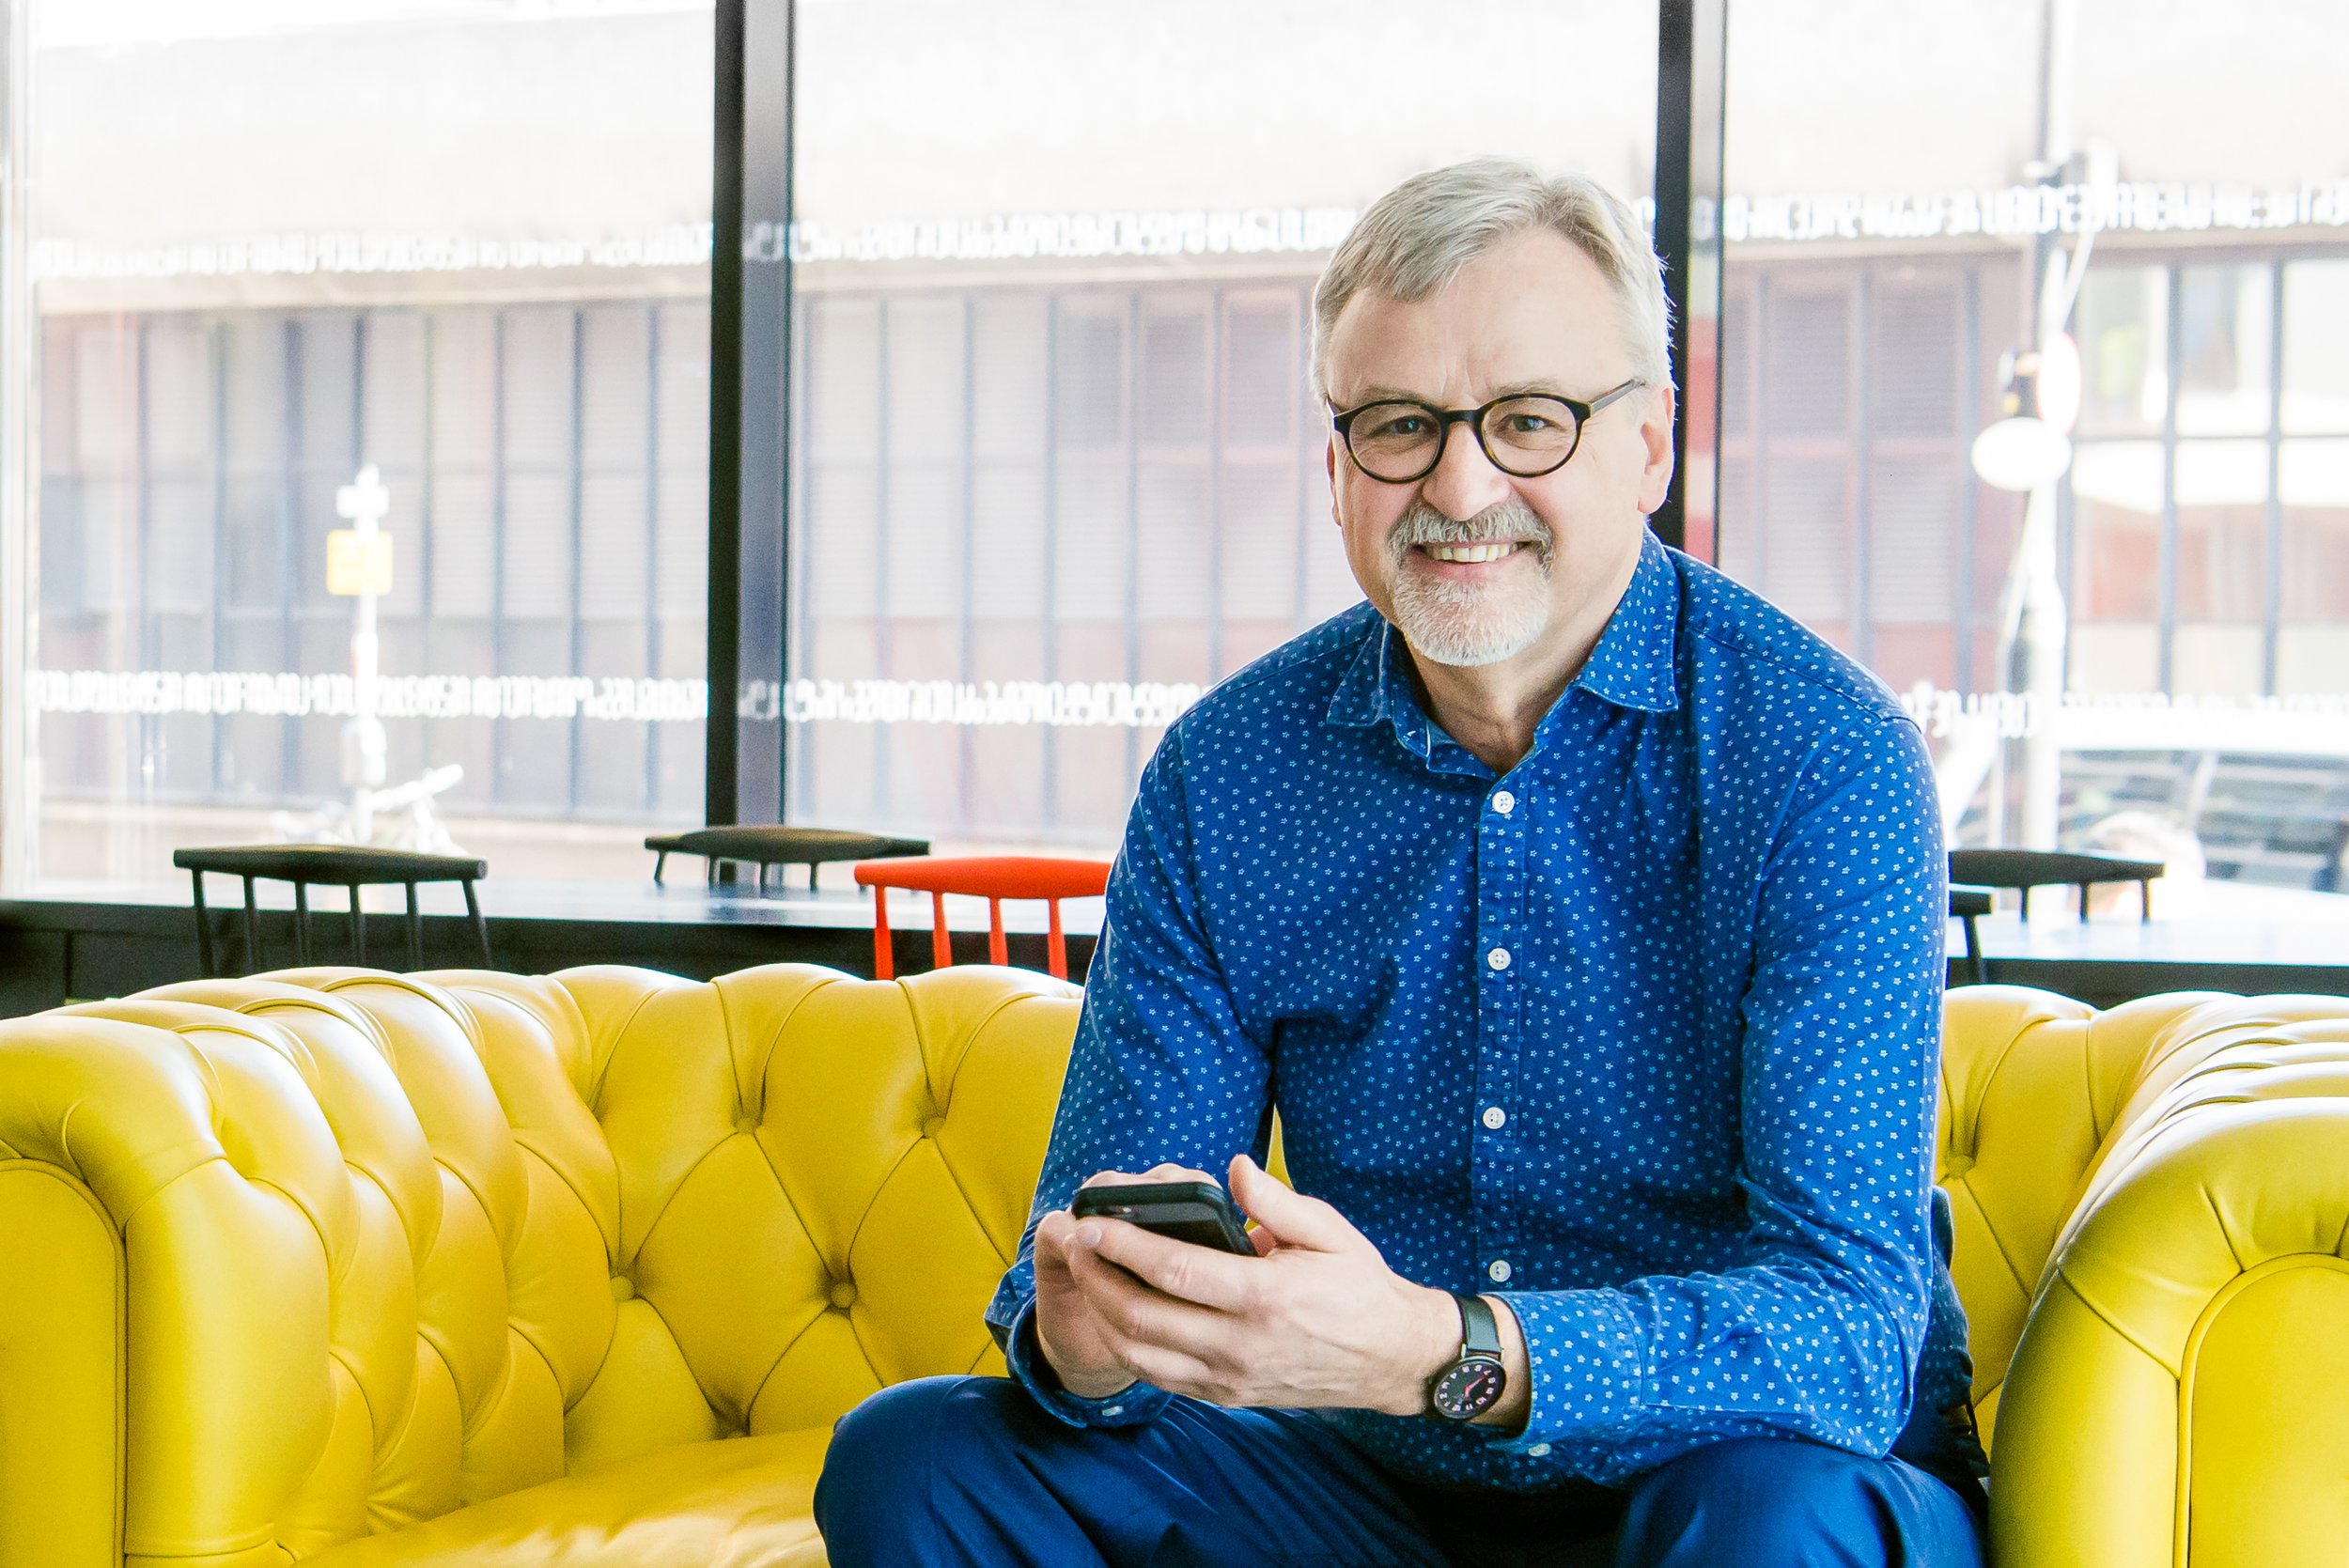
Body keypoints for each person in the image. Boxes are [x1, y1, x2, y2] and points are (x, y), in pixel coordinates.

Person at [814, 158, 1987, 1567]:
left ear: (1651, 447)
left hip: (1736, 1484)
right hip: (1365, 1495)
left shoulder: (1821, 757)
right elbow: (1104, 1240)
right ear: (1336, 467)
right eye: (1400, 425)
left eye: (1530, 422)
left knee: (1765, 1519)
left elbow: (1846, 1338)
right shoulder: (1228, 772)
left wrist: (1440, 1349)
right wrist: (1088, 1337)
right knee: (919, 1461)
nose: (1460, 482)